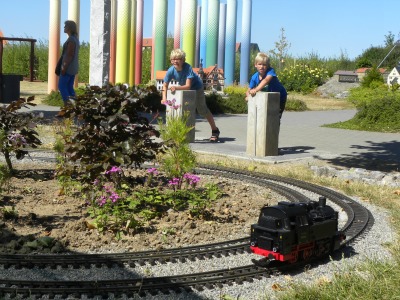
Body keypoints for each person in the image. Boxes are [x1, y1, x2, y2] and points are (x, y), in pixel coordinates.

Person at [161, 49, 220, 142]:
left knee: (202, 110)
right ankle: (181, 133)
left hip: (197, 88)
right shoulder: (171, 70)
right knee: (182, 110)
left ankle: (215, 130)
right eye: (173, 59)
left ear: (183, 60)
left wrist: (176, 88)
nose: (175, 61)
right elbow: (165, 85)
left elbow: (188, 86)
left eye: (178, 59)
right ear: (171, 60)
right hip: (184, 89)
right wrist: (164, 97)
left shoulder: (187, 68)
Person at [246, 52, 287, 119]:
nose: (262, 67)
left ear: (268, 66)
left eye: (264, 65)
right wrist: (249, 97)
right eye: (259, 64)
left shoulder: (270, 71)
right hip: (267, 98)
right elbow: (248, 90)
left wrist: (256, 90)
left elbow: (266, 80)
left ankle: (274, 128)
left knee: (275, 118)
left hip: (279, 97)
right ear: (255, 65)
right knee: (264, 117)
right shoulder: (254, 77)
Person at [58, 20, 80, 106]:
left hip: (68, 67)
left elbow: (69, 55)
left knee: (62, 86)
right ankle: (76, 106)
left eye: (65, 26)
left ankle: (68, 106)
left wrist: (64, 67)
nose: (64, 28)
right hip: (73, 67)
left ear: (69, 28)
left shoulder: (71, 39)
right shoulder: (75, 39)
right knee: (69, 87)